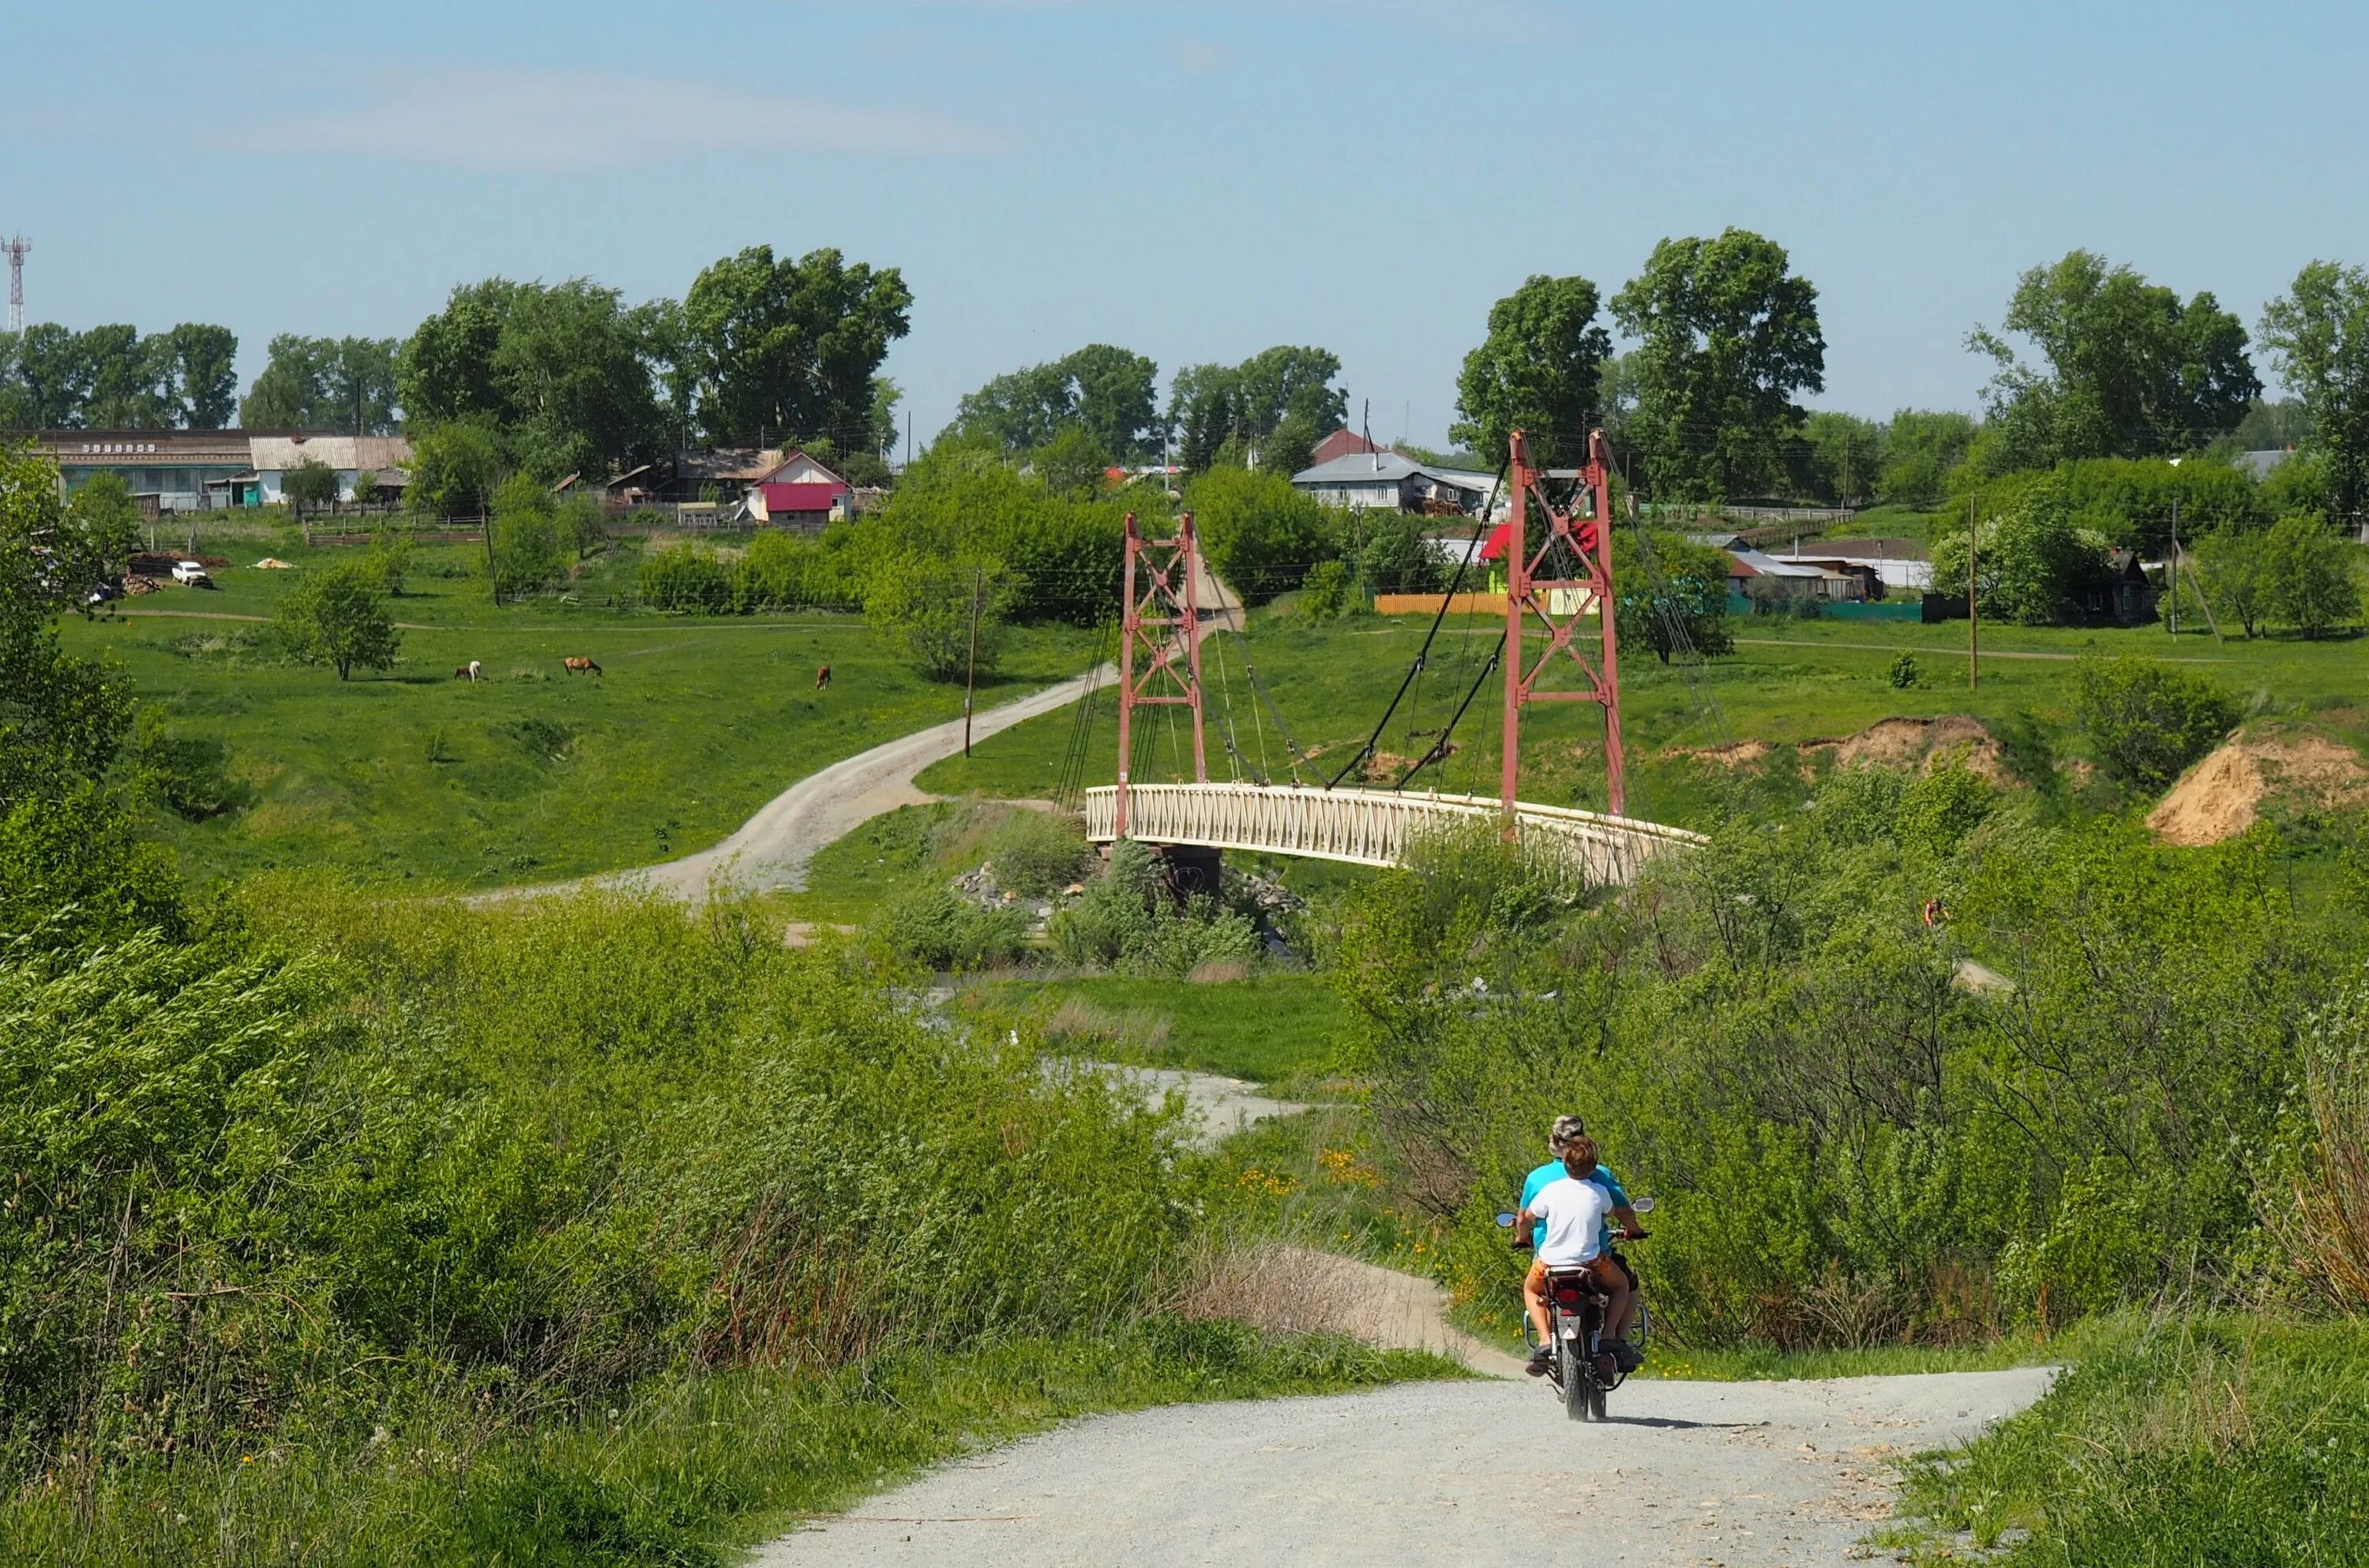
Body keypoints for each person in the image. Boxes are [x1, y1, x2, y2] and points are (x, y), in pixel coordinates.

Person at [1519, 1115, 1646, 1352]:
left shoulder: (1540, 1182)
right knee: (1625, 1285)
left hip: (1548, 1260)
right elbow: (1621, 1210)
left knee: (1532, 1288)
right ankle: (1613, 1338)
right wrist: (1634, 1230)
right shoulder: (1601, 1182)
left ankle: (1545, 1341)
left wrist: (1521, 1237)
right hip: (1593, 1259)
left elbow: (1523, 1217)